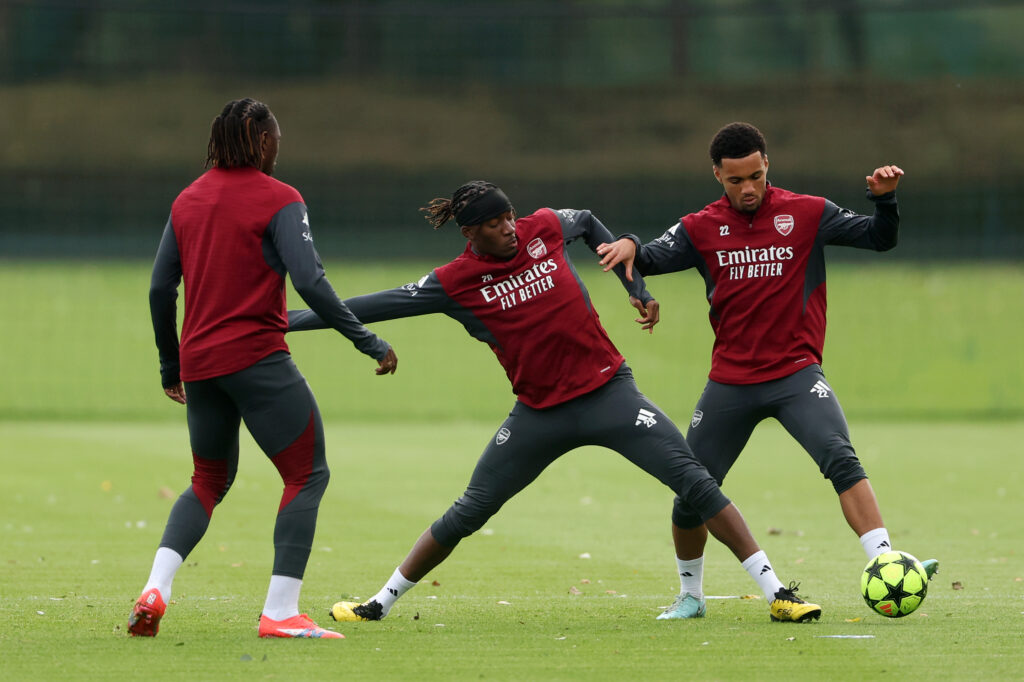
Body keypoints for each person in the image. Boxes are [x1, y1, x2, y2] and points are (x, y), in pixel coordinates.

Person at [288, 180, 821, 624]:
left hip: (611, 393)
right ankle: (378, 605)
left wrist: (633, 287)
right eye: (495, 223)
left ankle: (778, 595)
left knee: (696, 481)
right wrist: (284, 322)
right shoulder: (453, 282)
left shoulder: (543, 227)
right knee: (470, 510)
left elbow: (587, 221)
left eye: (510, 216)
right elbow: (367, 306)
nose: (509, 228)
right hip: (539, 415)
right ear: (471, 232)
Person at [595, 122, 937, 620]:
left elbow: (879, 239)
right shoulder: (699, 227)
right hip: (730, 383)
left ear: (767, 165)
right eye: (736, 180)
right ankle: (691, 596)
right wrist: (627, 244)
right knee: (691, 492)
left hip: (797, 375)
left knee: (840, 458)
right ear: (717, 175)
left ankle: (886, 562)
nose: (748, 188)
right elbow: (644, 257)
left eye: (755, 175)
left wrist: (884, 200)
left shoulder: (809, 212)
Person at [131, 98, 398, 640]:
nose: (279, 149)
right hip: (257, 359)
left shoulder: (187, 200)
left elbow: (161, 288)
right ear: (259, 142)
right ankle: (280, 612)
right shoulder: (281, 199)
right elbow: (311, 282)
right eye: (275, 139)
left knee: (207, 480)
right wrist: (365, 339)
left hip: (201, 365)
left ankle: (156, 588)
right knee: (307, 475)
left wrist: (170, 364)